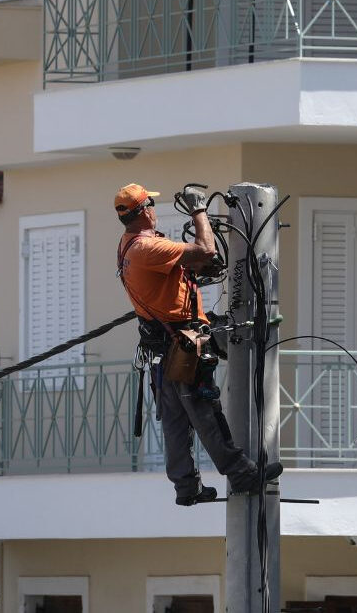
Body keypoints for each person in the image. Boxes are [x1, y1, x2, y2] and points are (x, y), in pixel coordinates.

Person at [115, 183, 281, 506]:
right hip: (182, 346)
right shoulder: (147, 249)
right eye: (151, 203)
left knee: (176, 421)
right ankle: (242, 473)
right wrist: (199, 210)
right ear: (145, 210)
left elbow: (171, 275)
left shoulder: (127, 247)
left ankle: (186, 487)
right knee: (205, 412)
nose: (154, 209)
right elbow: (206, 250)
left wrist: (192, 272)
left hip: (160, 351)